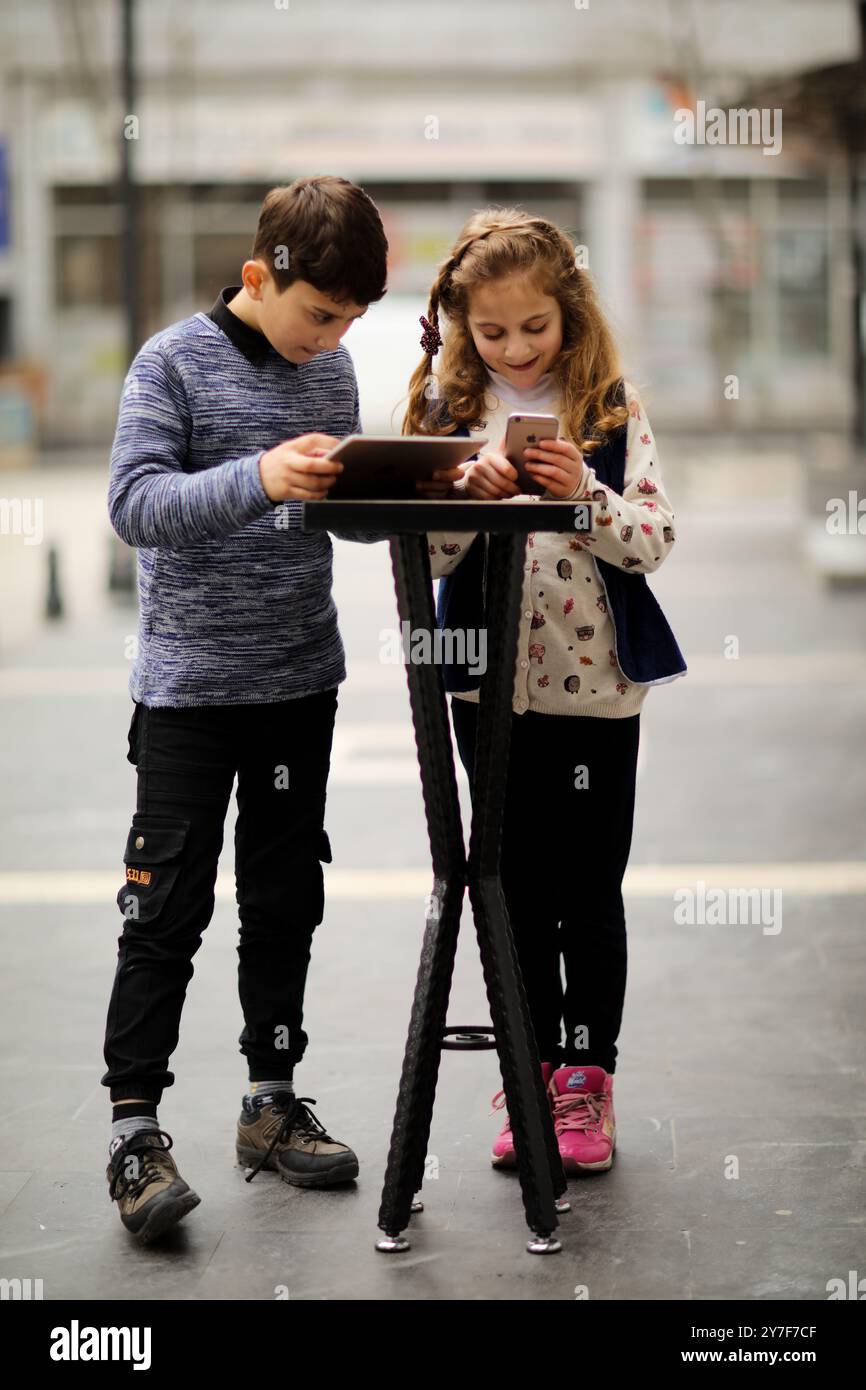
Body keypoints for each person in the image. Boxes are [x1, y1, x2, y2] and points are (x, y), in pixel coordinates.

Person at [102, 176, 396, 1243]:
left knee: (283, 901)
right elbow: (135, 508)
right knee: (163, 912)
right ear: (258, 276)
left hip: (296, 685)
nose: (332, 338)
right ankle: (134, 1134)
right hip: (187, 694)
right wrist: (259, 477)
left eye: (351, 320)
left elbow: (342, 519)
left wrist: (413, 486)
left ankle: (270, 1103)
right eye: (319, 313)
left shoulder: (336, 369)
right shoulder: (170, 362)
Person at [404, 208, 687, 1174]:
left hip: (598, 695)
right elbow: (419, 555)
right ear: (461, 327)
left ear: (570, 313)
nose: (517, 349)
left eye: (536, 327)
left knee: (588, 891)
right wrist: (464, 501)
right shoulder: (444, 416)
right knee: (510, 891)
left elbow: (652, 539)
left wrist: (586, 496)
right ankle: (529, 1079)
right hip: (486, 699)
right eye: (492, 333)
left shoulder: (610, 408)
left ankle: (586, 1082)